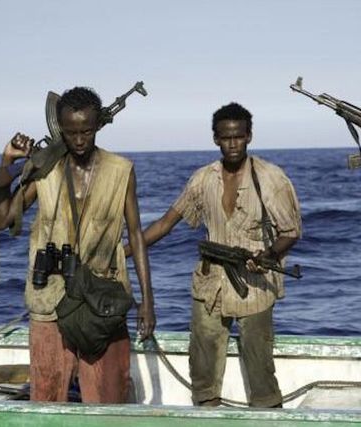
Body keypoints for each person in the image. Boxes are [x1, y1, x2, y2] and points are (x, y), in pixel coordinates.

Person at [128, 102, 301, 407]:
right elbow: (166, 223)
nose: (232, 144)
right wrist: (124, 252)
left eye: (238, 137)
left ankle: (267, 415)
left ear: (249, 136)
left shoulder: (270, 179)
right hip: (210, 284)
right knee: (203, 366)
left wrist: (267, 254)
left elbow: (291, 232)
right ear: (215, 139)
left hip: (255, 286)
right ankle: (207, 414)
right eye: (225, 138)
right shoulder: (203, 179)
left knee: (260, 364)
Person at [0, 86, 155, 403]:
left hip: (103, 299)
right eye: (71, 133)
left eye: (86, 131)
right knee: (47, 396)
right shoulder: (44, 169)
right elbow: (2, 218)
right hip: (50, 296)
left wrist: (147, 301)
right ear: (60, 130)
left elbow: (135, 234)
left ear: (98, 126)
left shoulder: (121, 170)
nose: (79, 140)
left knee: (108, 398)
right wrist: (6, 162)